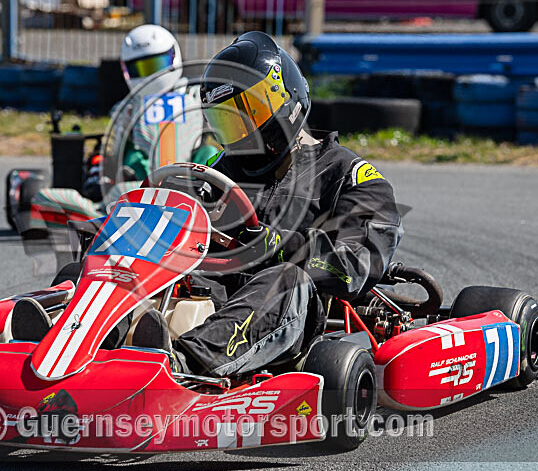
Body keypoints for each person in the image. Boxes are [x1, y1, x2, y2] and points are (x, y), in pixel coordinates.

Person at [168, 32, 404, 377]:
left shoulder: (348, 175)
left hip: (294, 318)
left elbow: (354, 264)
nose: (242, 133)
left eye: (249, 114)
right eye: (228, 122)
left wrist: (279, 245)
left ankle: (184, 366)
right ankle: (103, 349)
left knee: (286, 279)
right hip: (214, 299)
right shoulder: (217, 174)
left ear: (285, 98)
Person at [30, 24, 217, 230]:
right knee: (131, 158)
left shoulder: (196, 97)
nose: (152, 75)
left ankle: (107, 213)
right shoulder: (127, 107)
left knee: (210, 151)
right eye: (142, 68)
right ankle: (115, 206)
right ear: (128, 70)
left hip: (191, 179)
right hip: (143, 183)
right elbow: (114, 152)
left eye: (157, 64)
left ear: (173, 57)